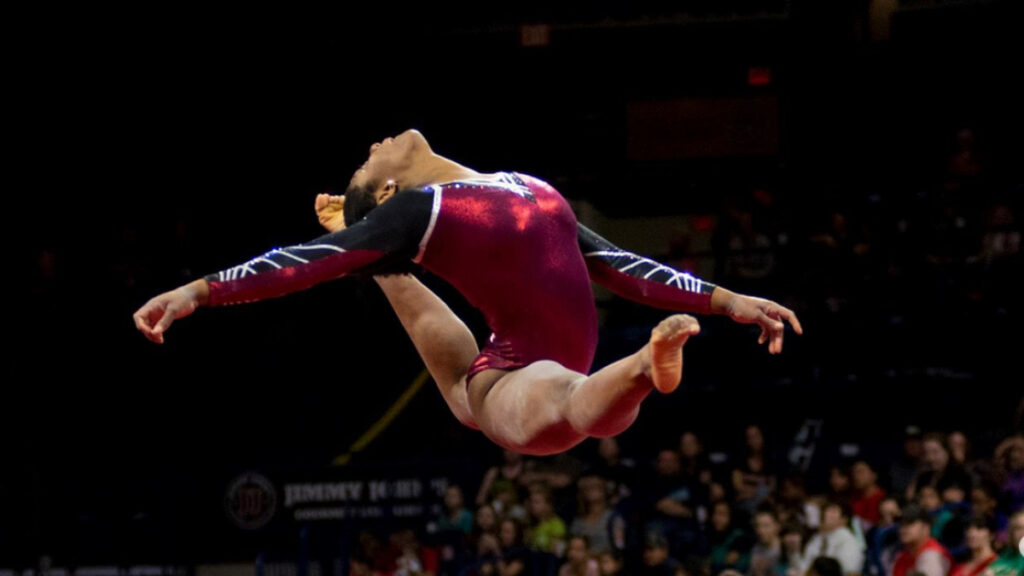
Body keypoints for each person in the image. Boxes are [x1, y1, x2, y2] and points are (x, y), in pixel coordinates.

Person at [133, 129, 802, 456]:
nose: (376, 143)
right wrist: (200, 291)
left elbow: (613, 261)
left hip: (494, 380)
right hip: (516, 381)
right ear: (388, 193)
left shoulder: (523, 185)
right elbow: (304, 262)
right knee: (569, 399)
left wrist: (725, 299)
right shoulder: (419, 208)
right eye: (369, 163)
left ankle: (638, 368)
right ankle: (640, 367)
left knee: (493, 395)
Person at [892, 504, 952, 576]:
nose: (903, 528)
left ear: (926, 528)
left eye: (910, 523)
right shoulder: (903, 556)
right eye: (901, 524)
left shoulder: (932, 555)